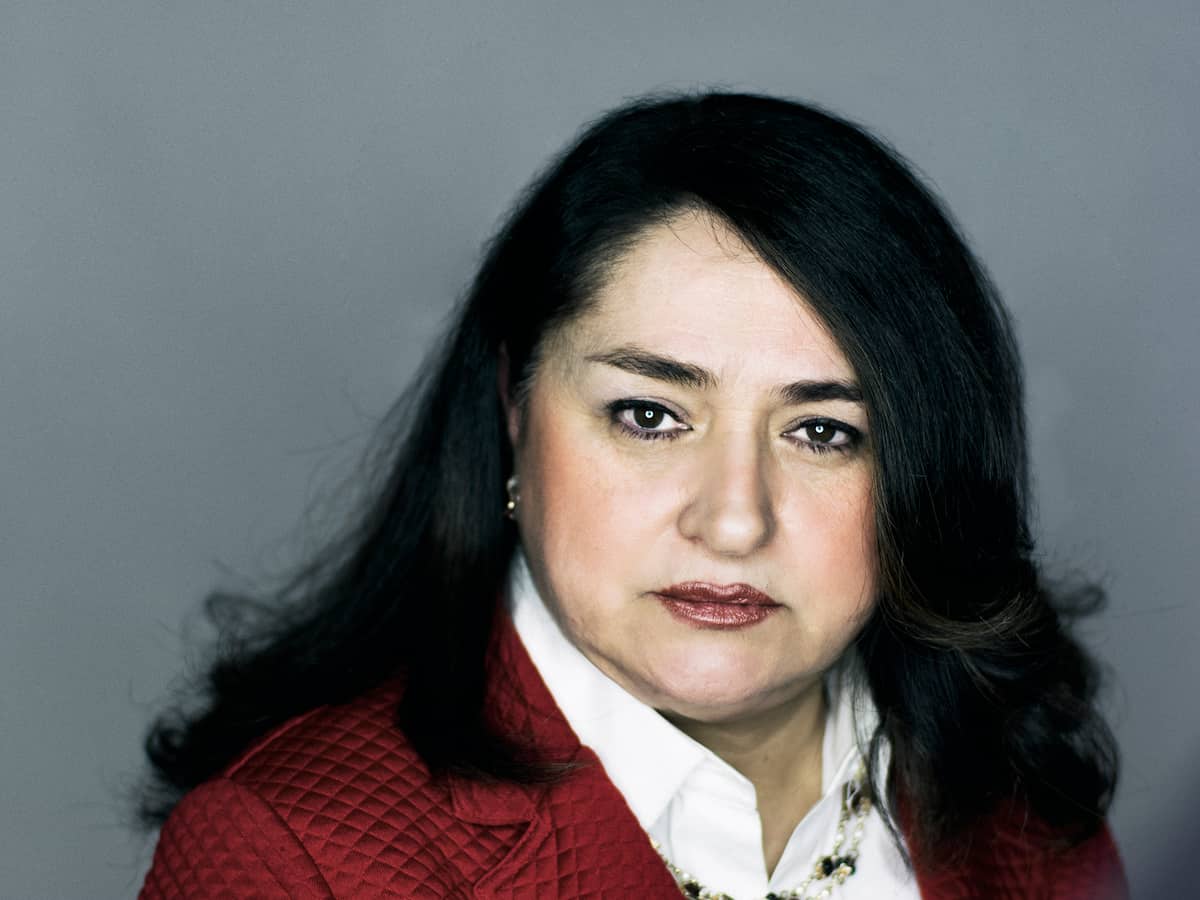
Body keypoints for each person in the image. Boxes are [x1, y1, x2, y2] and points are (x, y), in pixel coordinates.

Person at [137, 92, 1126, 899]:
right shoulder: (291, 859)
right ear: (514, 407)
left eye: (824, 432)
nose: (732, 521)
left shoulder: (1027, 821)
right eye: (650, 416)